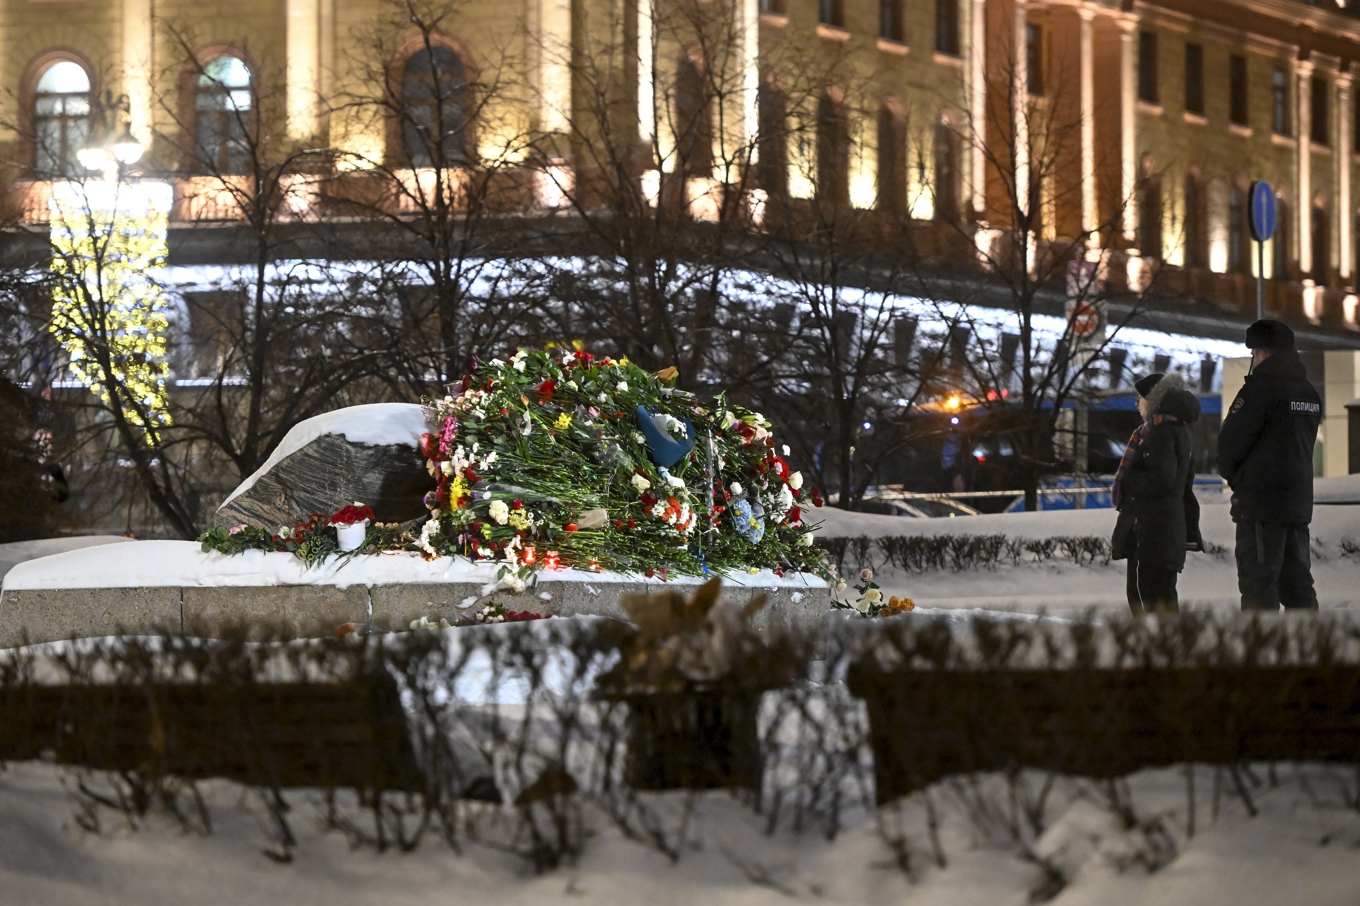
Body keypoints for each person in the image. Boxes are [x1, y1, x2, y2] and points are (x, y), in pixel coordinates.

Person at [1217, 319, 1321, 611]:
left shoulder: (1260, 391)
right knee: (1299, 587)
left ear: (1261, 352)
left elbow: (1229, 446)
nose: (1253, 359)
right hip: (1297, 506)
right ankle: (1310, 651)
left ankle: (1263, 654)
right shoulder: (1308, 393)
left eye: (1253, 353)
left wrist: (1239, 479)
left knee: (1259, 587)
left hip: (1261, 507)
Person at [1111, 372, 1204, 615]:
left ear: (1152, 400)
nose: (1136, 404)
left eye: (1139, 398)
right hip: (1162, 531)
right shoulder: (1175, 431)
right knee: (1160, 601)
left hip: (1153, 532)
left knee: (1150, 603)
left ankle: (1156, 651)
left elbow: (1161, 480)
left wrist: (1129, 479)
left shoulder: (1161, 433)